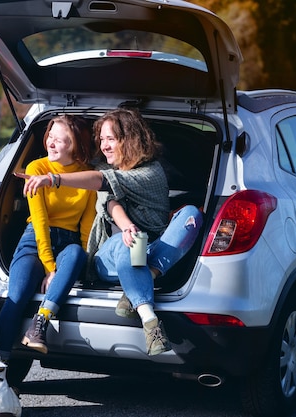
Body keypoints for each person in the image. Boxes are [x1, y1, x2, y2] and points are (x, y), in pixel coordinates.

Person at [20, 108, 203, 356]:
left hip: (148, 251)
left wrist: (54, 179)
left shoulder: (150, 172)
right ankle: (150, 322)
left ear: (129, 141)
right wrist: (127, 226)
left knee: (191, 213)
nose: (104, 146)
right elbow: (110, 201)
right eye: (101, 139)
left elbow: (102, 182)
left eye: (111, 139)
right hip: (110, 258)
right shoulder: (104, 169)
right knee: (126, 243)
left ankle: (146, 276)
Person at [0, 115, 97, 362]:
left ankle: (40, 324)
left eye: (60, 140)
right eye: (50, 136)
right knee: (16, 298)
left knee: (76, 253)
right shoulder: (37, 169)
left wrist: (81, 264)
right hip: (35, 240)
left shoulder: (87, 176)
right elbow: (40, 223)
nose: (51, 143)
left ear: (75, 145)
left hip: (68, 242)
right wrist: (51, 269)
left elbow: (87, 226)